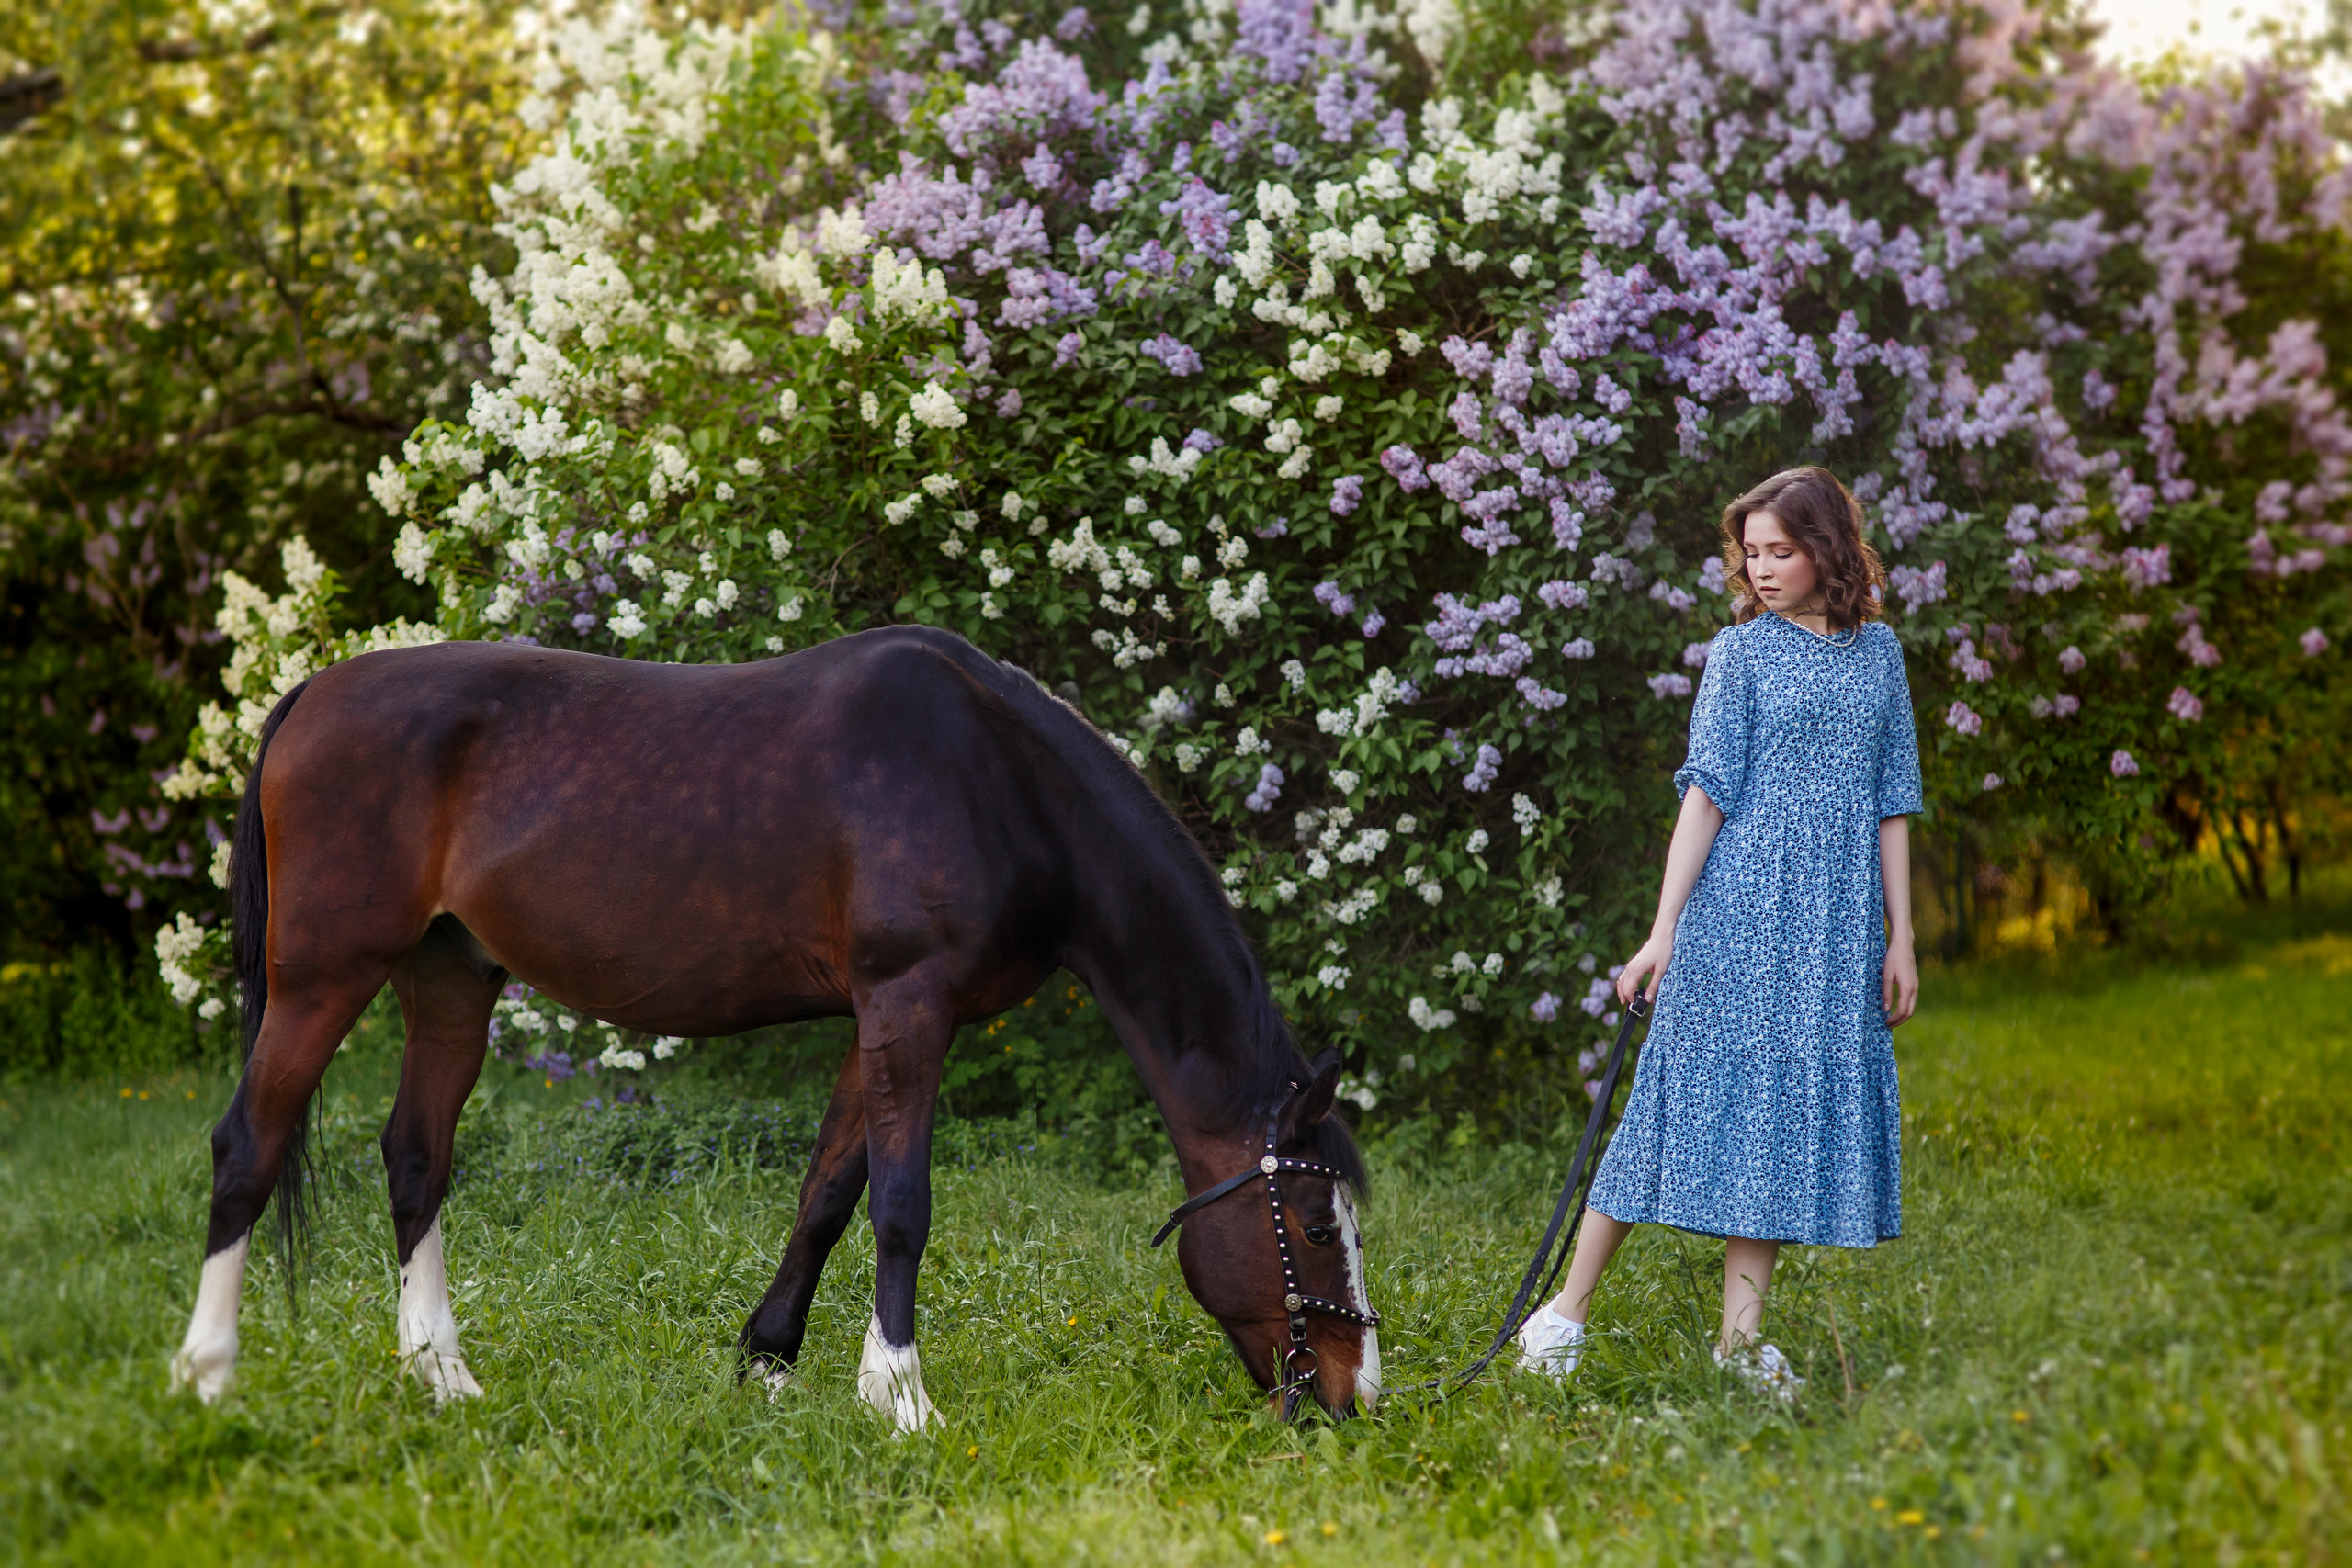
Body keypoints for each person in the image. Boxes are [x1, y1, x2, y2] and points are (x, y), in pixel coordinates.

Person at [1517, 466, 1924, 1399]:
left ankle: (1740, 1346)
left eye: (1782, 549)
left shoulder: (1880, 654)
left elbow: (1893, 800)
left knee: (1780, 1124)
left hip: (1836, 924)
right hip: (1737, 911)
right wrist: (1662, 932)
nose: (1765, 567)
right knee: (1670, 1100)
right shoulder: (1739, 654)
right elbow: (1706, 794)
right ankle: (1563, 1317)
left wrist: (1901, 937)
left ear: (1827, 549)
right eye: (1752, 552)